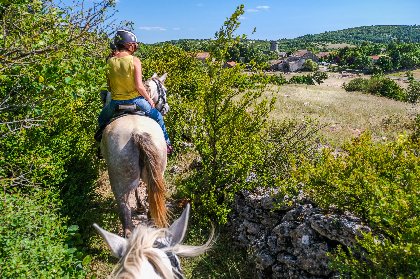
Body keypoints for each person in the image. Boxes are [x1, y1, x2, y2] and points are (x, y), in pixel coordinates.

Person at [97, 29, 173, 154]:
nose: (135, 46)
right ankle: (168, 145)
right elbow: (139, 86)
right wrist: (149, 100)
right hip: (136, 101)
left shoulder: (110, 61)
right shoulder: (134, 60)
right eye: (133, 44)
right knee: (158, 117)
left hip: (115, 102)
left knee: (101, 120)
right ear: (128, 45)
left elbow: (109, 87)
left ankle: (101, 147)